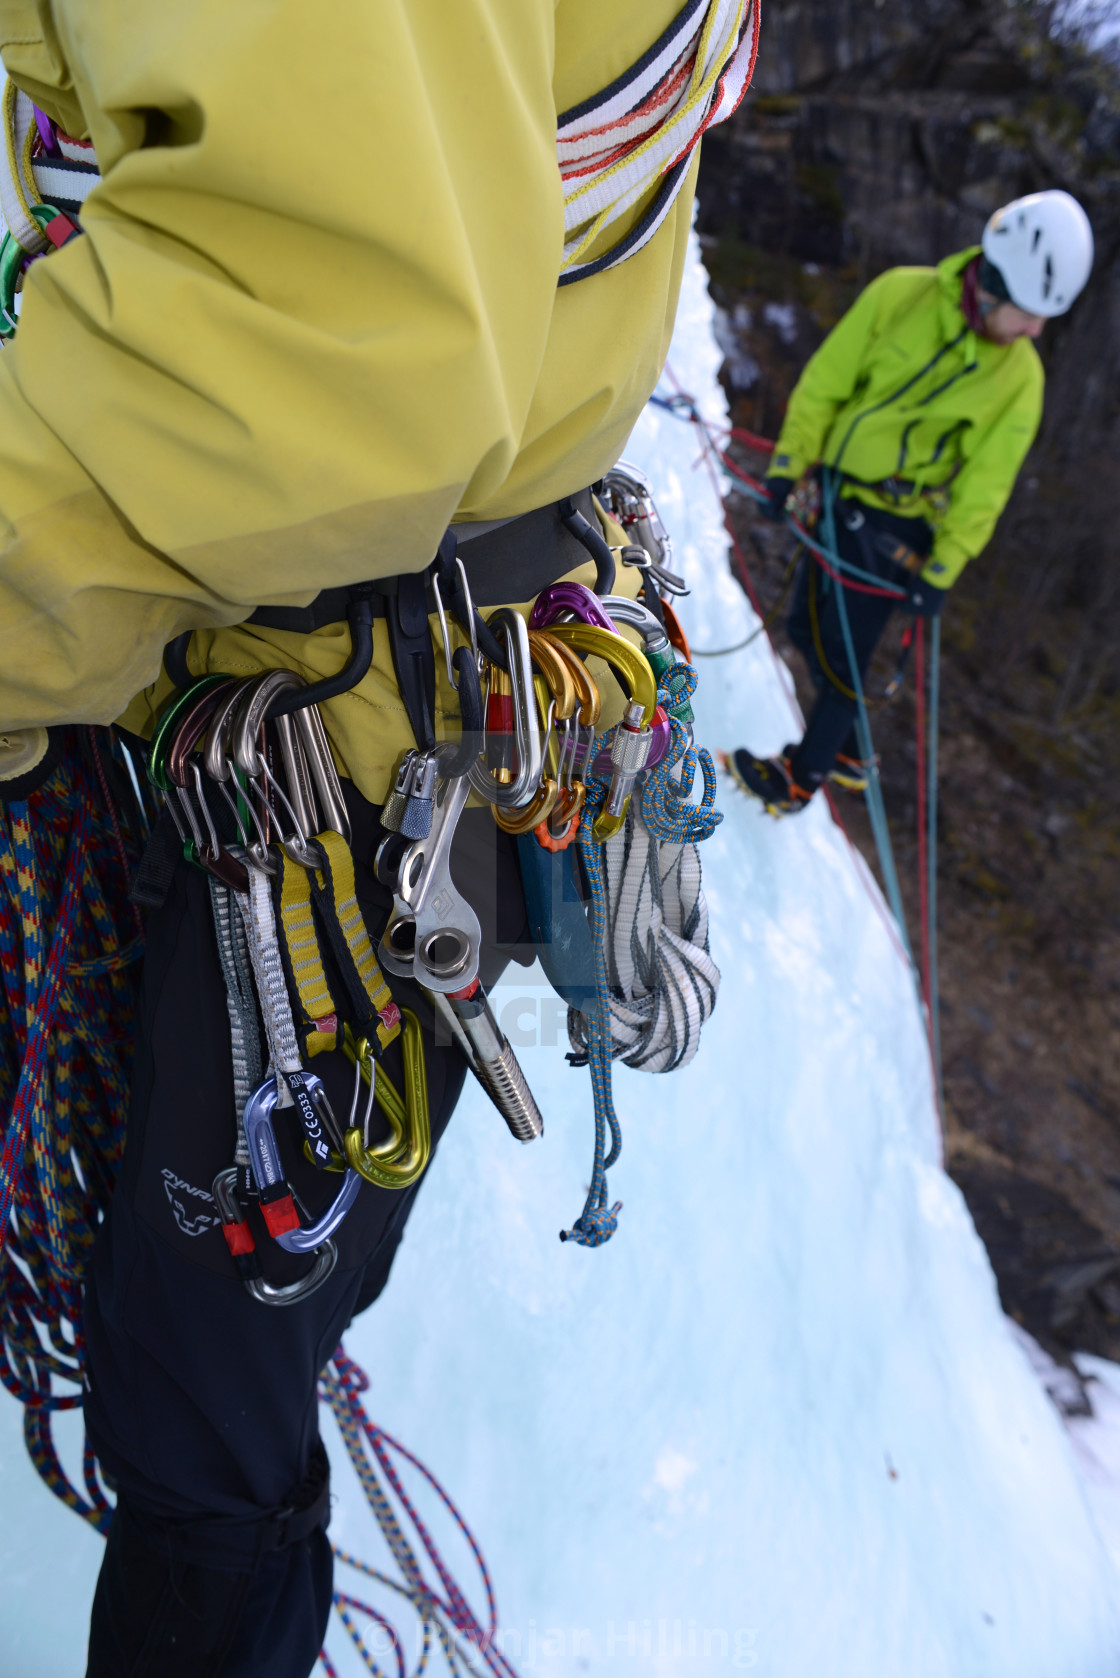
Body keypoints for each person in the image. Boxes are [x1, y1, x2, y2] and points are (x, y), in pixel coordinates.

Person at [0, 1, 756, 1673]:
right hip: (395, 692)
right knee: (240, 1325)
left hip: (334, 724)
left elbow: (315, 341)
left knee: (205, 1409)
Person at [723, 190, 1094, 815]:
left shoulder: (1019, 379)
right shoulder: (902, 295)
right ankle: (849, 752)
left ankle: (799, 779)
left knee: (842, 659)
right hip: (837, 497)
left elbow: (986, 486)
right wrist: (789, 468)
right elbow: (826, 384)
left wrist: (943, 569)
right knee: (803, 632)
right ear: (995, 285)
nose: (1035, 331)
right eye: (1030, 314)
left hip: (896, 528)